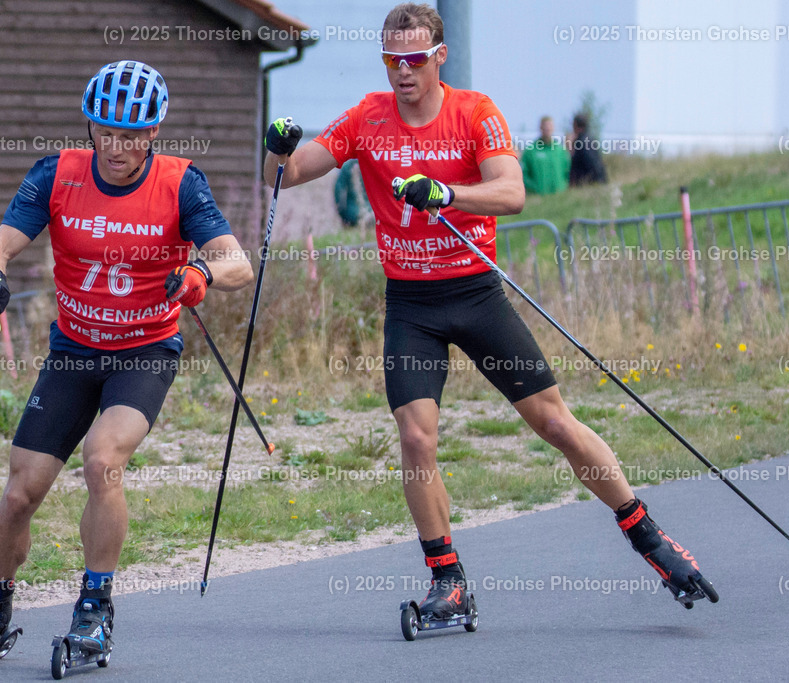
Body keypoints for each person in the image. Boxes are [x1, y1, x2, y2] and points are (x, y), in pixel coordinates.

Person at [263, 3, 711, 621]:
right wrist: (276, 149)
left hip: (475, 294)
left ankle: (648, 536)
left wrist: (448, 192)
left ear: (439, 56)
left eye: (415, 58)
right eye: (392, 59)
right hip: (412, 306)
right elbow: (286, 176)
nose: (403, 71)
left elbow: (514, 192)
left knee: (554, 424)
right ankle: (447, 579)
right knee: (416, 438)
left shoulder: (474, 111)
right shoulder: (367, 117)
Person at [0, 60, 253, 659]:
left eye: (132, 136)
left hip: (144, 352)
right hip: (74, 353)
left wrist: (200, 270)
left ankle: (94, 608)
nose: (117, 147)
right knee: (20, 491)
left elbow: (237, 260)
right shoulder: (57, 173)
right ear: (91, 126)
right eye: (107, 132)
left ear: (154, 133)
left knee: (102, 459)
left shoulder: (182, 183)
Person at [520, 115, 569, 195]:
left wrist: (564, 186)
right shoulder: (531, 150)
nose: (548, 129)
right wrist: (534, 188)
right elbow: (524, 174)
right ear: (540, 127)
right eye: (545, 126)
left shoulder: (560, 150)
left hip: (559, 197)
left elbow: (567, 172)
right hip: (538, 198)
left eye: (550, 126)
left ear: (553, 128)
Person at [569, 112, 608, 186]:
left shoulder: (581, 142)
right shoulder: (591, 140)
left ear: (576, 125)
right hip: (597, 181)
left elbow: (589, 163)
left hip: (587, 183)